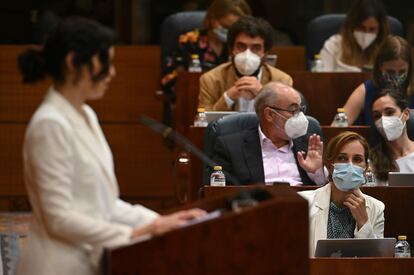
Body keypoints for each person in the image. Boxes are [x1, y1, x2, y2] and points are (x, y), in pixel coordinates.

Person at [16, 17, 205, 275]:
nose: (112, 72)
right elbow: (57, 218)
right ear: (74, 63)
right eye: (105, 62)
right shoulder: (49, 123)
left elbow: (103, 203)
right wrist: (136, 233)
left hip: (90, 258)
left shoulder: (85, 114)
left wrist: (159, 221)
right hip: (58, 265)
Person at [211, 81, 326, 186]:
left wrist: (317, 172)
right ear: (269, 114)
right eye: (293, 110)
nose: (300, 117)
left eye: (301, 110)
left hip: (305, 205)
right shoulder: (231, 147)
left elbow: (329, 192)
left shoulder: (311, 145)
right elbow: (219, 193)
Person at [299, 131, 385, 256]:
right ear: (329, 165)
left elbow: (377, 264)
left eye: (357, 159)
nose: (350, 165)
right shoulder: (304, 203)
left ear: (365, 168)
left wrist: (364, 222)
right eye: (342, 158)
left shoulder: (376, 208)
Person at [198, 16, 293, 111]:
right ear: (231, 50)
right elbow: (203, 122)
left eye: (256, 48)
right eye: (241, 46)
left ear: (265, 53)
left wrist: (263, 96)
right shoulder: (210, 79)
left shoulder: (282, 81)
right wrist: (228, 98)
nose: (247, 54)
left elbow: (285, 120)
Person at [161, 0, 251, 97]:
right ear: (212, 20)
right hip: (194, 100)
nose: (230, 32)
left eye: (235, 28)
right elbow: (168, 81)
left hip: (234, 102)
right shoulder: (190, 41)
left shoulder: (243, 45)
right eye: (226, 26)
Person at [335, 35, 414, 125]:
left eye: (402, 72)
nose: (396, 76)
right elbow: (337, 127)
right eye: (390, 71)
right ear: (380, 66)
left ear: (410, 68)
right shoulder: (365, 91)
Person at [320, 0, 389, 72]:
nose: (366, 34)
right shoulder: (333, 45)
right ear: (352, 25)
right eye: (361, 28)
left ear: (380, 29)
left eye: (372, 29)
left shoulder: (388, 48)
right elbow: (323, 79)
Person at [370, 89, 414, 183]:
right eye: (377, 116)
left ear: (406, 114)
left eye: (389, 112)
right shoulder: (371, 161)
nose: (383, 120)